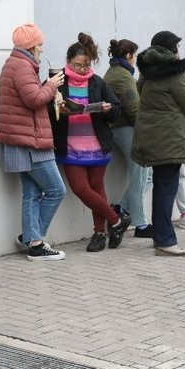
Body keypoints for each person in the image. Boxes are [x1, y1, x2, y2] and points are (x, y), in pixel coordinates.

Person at [51, 33, 131, 253]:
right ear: (68, 62)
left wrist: (108, 109)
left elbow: (116, 109)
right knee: (80, 188)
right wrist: (58, 109)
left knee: (97, 187)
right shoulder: (58, 81)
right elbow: (45, 108)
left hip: (97, 146)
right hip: (70, 147)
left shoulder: (98, 82)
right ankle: (116, 220)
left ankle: (99, 233)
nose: (82, 69)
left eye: (86, 65)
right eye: (77, 65)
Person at [0, 23, 68, 261]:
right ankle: (35, 242)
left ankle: (30, 237)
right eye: (40, 44)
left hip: (22, 139)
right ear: (33, 45)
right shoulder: (22, 67)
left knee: (32, 193)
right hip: (31, 143)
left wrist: (50, 93)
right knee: (56, 189)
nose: (42, 48)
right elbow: (33, 99)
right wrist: (51, 85)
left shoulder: (16, 63)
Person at [132, 31, 185, 256]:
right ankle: (165, 240)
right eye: (178, 46)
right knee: (166, 189)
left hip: (153, 138)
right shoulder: (174, 74)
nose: (179, 51)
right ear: (170, 48)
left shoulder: (146, 73)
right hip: (171, 140)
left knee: (161, 188)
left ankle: (160, 237)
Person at [105, 38, 152, 236]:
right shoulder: (122, 76)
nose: (135, 60)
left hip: (122, 129)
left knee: (148, 175)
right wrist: (146, 132)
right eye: (134, 55)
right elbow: (134, 109)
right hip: (127, 130)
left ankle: (121, 208)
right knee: (139, 175)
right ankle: (140, 225)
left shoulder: (115, 72)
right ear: (128, 56)